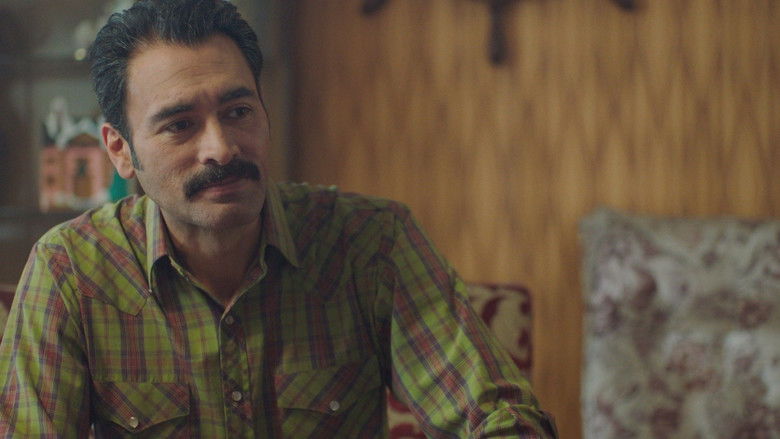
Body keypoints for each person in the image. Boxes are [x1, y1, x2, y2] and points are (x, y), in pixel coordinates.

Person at [0, 0, 557, 437]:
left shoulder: (371, 243)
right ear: (120, 151)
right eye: (180, 125)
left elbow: (500, 419)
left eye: (238, 111)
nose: (221, 148)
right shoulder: (70, 271)